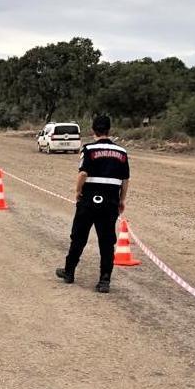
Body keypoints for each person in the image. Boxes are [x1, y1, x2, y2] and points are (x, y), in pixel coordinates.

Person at [56, 115, 130, 293]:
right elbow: (125, 179)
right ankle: (104, 280)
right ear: (109, 130)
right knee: (106, 242)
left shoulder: (88, 149)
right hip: (110, 202)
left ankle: (69, 272)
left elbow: (83, 174)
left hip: (89, 200)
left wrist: (77, 191)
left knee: (79, 237)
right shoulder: (122, 153)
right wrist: (121, 200)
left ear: (93, 130)